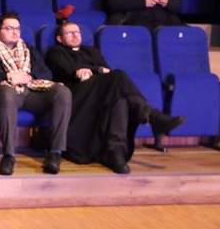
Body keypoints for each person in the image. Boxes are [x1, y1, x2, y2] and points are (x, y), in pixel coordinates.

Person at [44, 20, 187, 173]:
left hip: (99, 93)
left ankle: (116, 152)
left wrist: (95, 70)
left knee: (120, 99)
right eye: (69, 33)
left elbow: (108, 72)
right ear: (60, 38)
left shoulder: (92, 51)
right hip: (77, 95)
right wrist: (96, 70)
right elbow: (70, 70)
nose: (75, 35)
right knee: (119, 76)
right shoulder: (55, 52)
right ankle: (150, 116)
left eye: (77, 32)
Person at [0, 12, 72, 176]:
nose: (15, 32)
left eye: (17, 29)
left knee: (62, 91)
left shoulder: (29, 50)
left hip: (32, 92)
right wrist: (8, 76)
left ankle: (55, 153)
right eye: (9, 28)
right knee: (7, 92)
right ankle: (9, 155)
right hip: (2, 96)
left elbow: (47, 73)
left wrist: (29, 76)